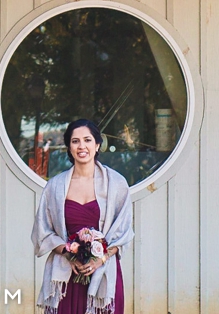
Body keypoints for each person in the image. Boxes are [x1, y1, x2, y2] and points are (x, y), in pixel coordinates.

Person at [31, 119, 133, 314]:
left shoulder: (117, 184)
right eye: (75, 141)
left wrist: (99, 259)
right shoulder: (55, 186)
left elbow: (124, 232)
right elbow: (43, 231)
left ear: (97, 145)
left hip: (103, 273)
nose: (81, 146)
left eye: (87, 140)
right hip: (67, 274)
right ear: (69, 147)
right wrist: (69, 254)